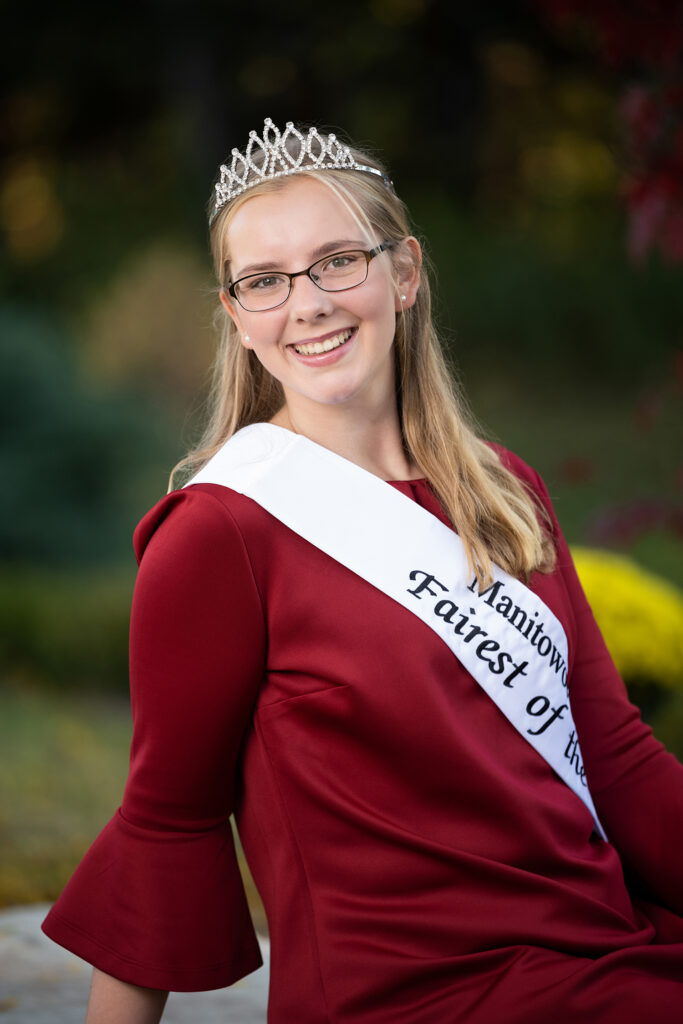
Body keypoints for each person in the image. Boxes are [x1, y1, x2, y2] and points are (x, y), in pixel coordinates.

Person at [42, 117, 683, 1023]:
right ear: (235, 313)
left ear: (405, 273)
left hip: (599, 953)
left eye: (337, 260)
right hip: (413, 999)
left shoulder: (505, 493)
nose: (305, 303)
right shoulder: (222, 532)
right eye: (264, 280)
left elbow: (614, 758)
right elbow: (166, 820)